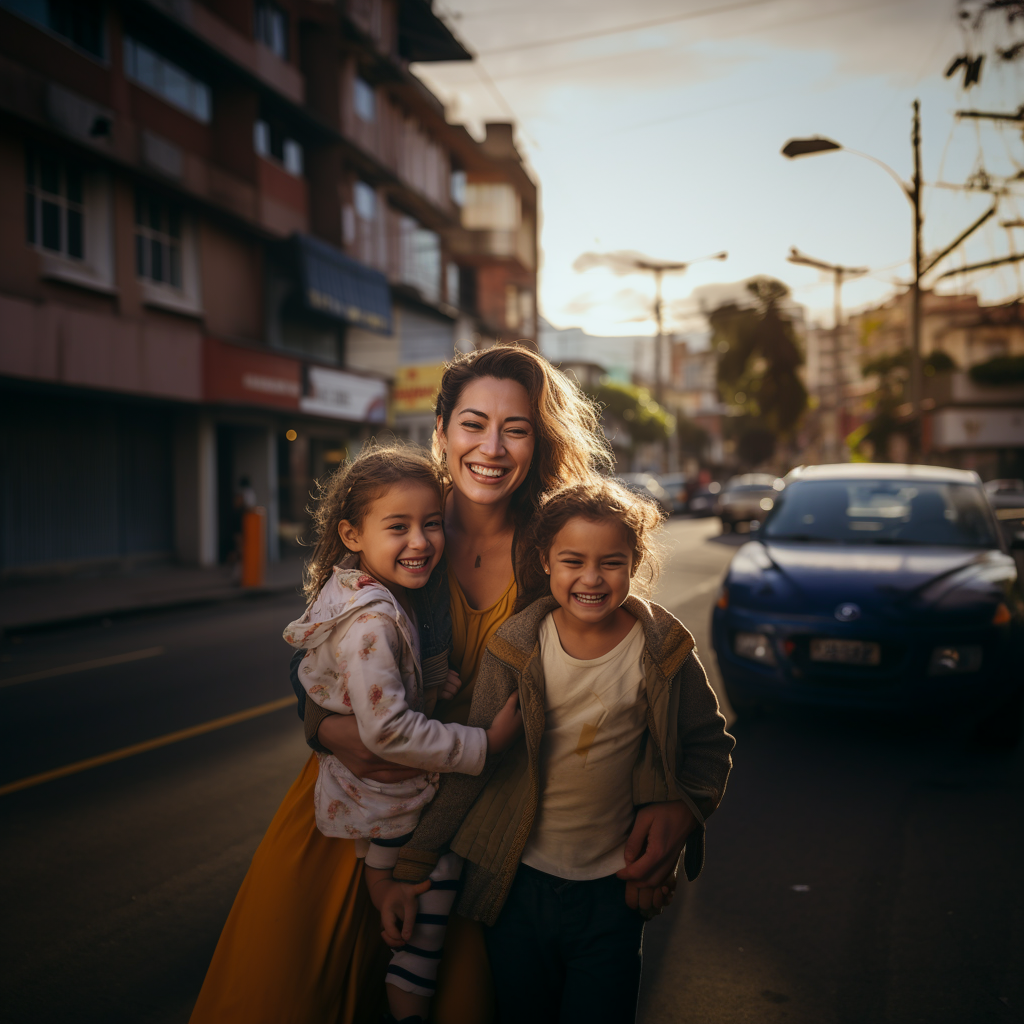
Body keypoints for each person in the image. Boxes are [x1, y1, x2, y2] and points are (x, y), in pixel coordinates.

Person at [189, 344, 678, 1024]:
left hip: (472, 823)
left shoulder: (554, 551)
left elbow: (627, 681)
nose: (492, 447)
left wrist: (669, 802)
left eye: (516, 427)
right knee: (283, 994)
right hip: (356, 805)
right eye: (473, 423)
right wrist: (330, 729)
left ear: (539, 442)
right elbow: (320, 640)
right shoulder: (404, 517)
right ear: (442, 430)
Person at [388, 479, 735, 1024]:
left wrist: (684, 812)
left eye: (611, 562)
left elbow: (709, 748)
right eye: (573, 560)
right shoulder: (516, 648)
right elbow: (474, 766)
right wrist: (413, 862)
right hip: (516, 887)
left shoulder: (663, 649)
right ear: (544, 560)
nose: (592, 579)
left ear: (635, 561)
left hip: (613, 895)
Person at [282, 444, 522, 1024]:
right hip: (394, 796)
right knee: (424, 925)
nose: (420, 541)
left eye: (431, 524)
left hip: (375, 799)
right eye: (399, 527)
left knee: (397, 897)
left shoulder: (367, 594)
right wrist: (483, 745)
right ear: (352, 533)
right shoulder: (373, 620)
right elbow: (385, 729)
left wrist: (430, 685)